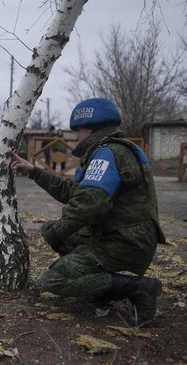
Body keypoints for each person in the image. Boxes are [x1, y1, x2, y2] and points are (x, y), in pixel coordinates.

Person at [11, 98, 165, 326]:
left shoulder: (107, 154)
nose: (76, 135)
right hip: (119, 234)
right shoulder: (108, 151)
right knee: (49, 229)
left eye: (78, 130)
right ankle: (101, 290)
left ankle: (140, 289)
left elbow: (87, 203)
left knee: (53, 280)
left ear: (88, 128)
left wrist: (62, 231)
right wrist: (34, 171)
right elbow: (74, 191)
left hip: (126, 241)